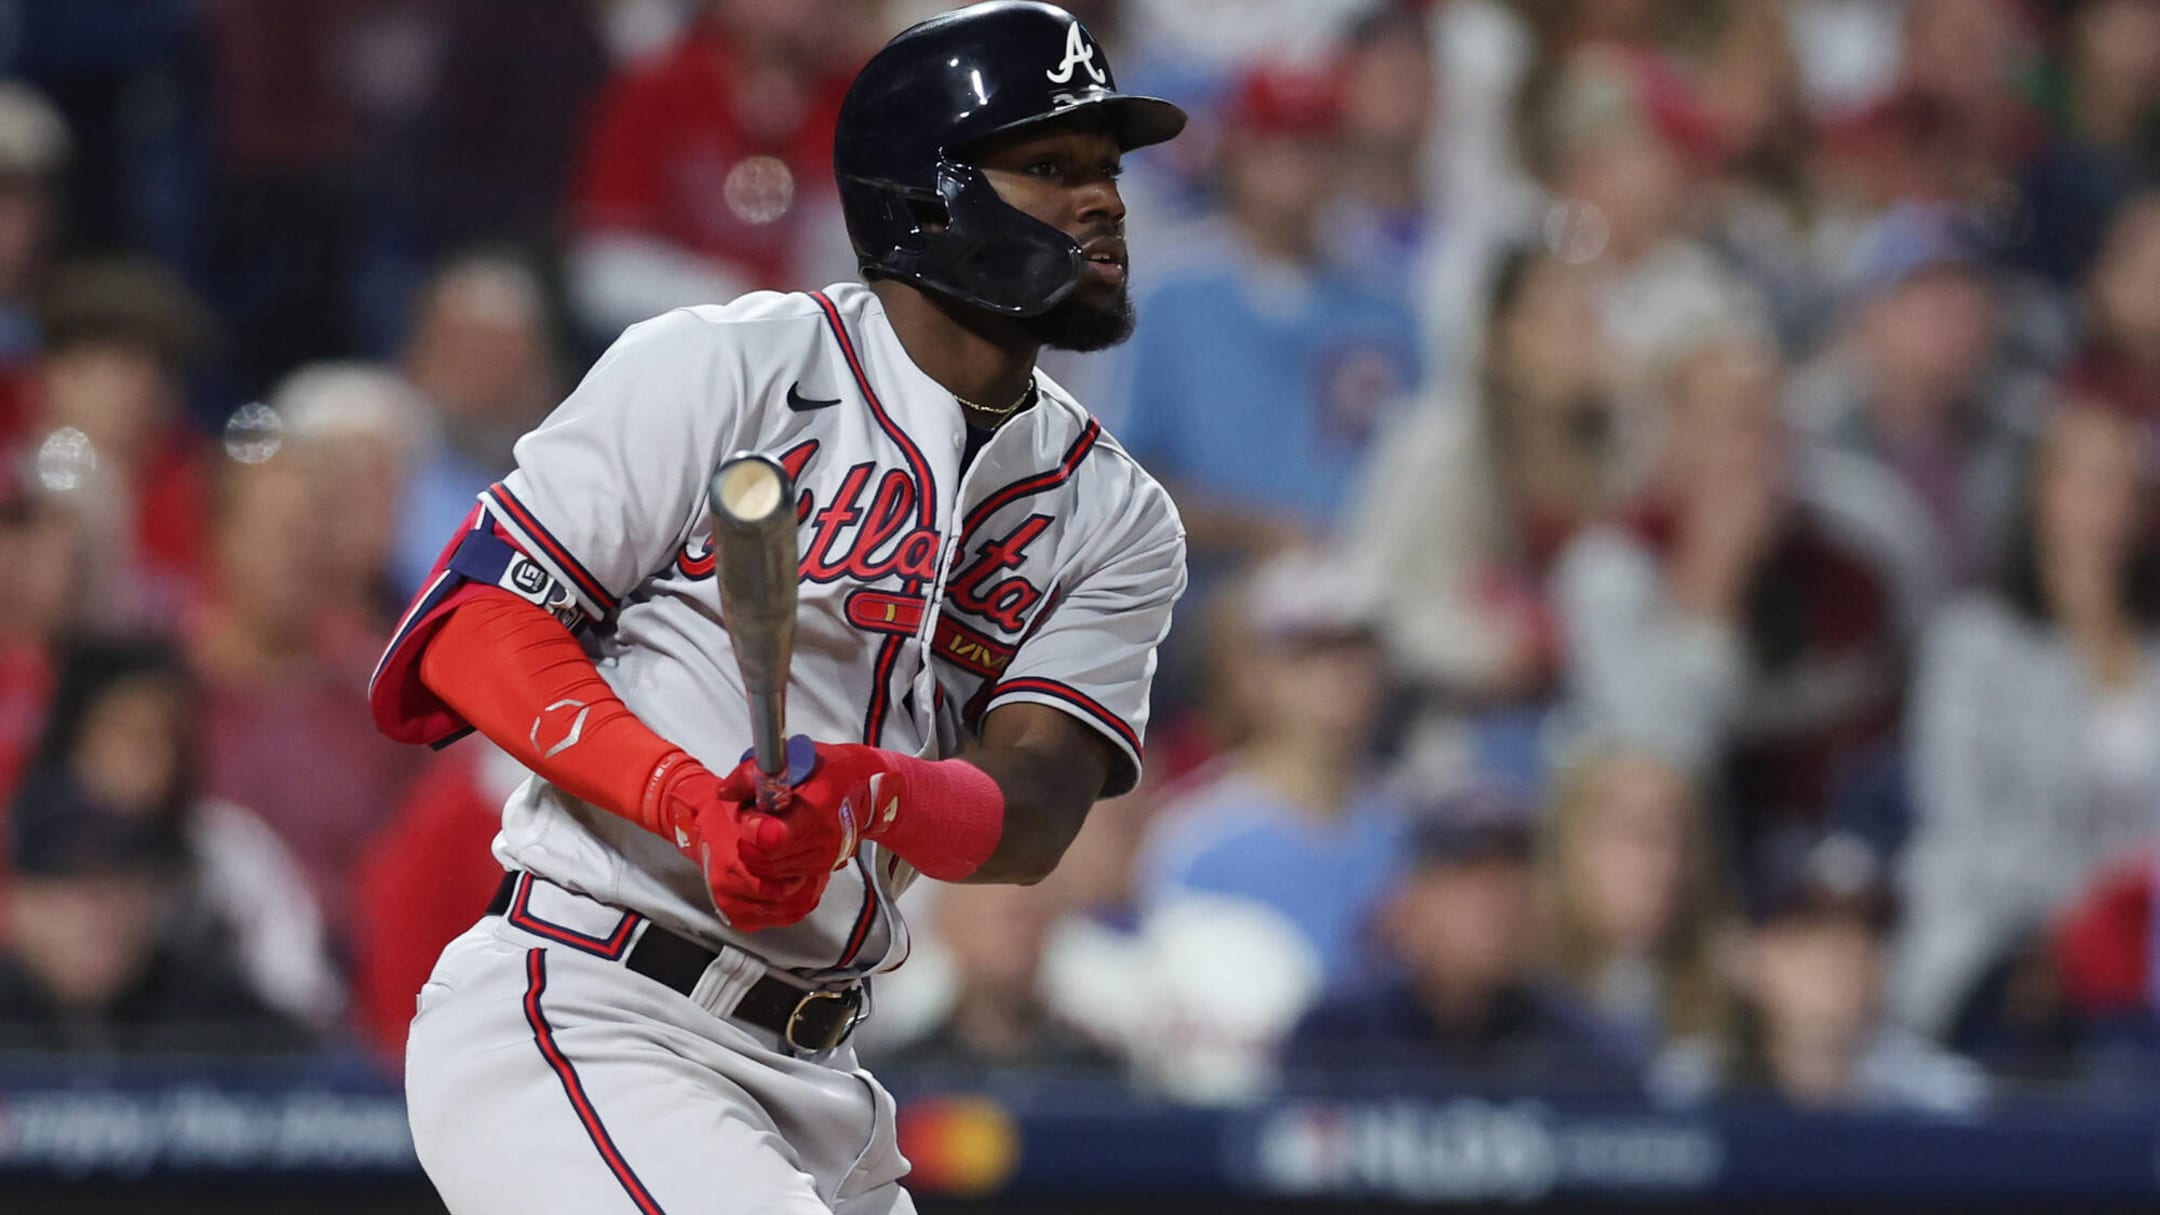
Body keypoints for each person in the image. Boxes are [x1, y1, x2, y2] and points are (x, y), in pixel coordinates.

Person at [371, 6, 1188, 1212]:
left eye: (1106, 170)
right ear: (925, 198)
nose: (1103, 202)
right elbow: (471, 628)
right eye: (1051, 167)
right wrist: (687, 801)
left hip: (821, 1070)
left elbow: (1033, 814)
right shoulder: (725, 365)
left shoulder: (1117, 514)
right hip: (595, 1007)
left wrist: (863, 792)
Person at [1892, 402, 2160, 1041]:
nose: (2111, 502)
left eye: (2128, 484)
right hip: (2008, 932)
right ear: (2042, 492)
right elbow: (1961, 820)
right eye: (2093, 479)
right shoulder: (1973, 644)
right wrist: (2092, 907)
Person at [0, 640, 334, 1046]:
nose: (152, 760)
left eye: (166, 738)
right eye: (128, 735)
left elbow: (301, 1005)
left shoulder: (229, 851)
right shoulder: (31, 822)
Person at [1135, 551, 1404, 987]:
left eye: (1356, 649)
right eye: (1308, 653)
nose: (1338, 673)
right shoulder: (1194, 837)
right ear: (1255, 675)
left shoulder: (1412, 825)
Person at [1285, 786, 1638, 1091]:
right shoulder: (1338, 1038)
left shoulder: (1586, 1053)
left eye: (1513, 878)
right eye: (1468, 878)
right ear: (1412, 900)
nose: (1497, 904)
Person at [1730, 833, 1988, 1114]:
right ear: (1744, 956)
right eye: (1813, 925)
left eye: (1869, 927)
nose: (1847, 948)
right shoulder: (1692, 1094)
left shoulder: (1950, 1109)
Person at [1537, 748, 1738, 1096]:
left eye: (1679, 835)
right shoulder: (1515, 996)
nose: (1661, 860)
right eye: (1631, 831)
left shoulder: (1737, 1004)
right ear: (1570, 847)